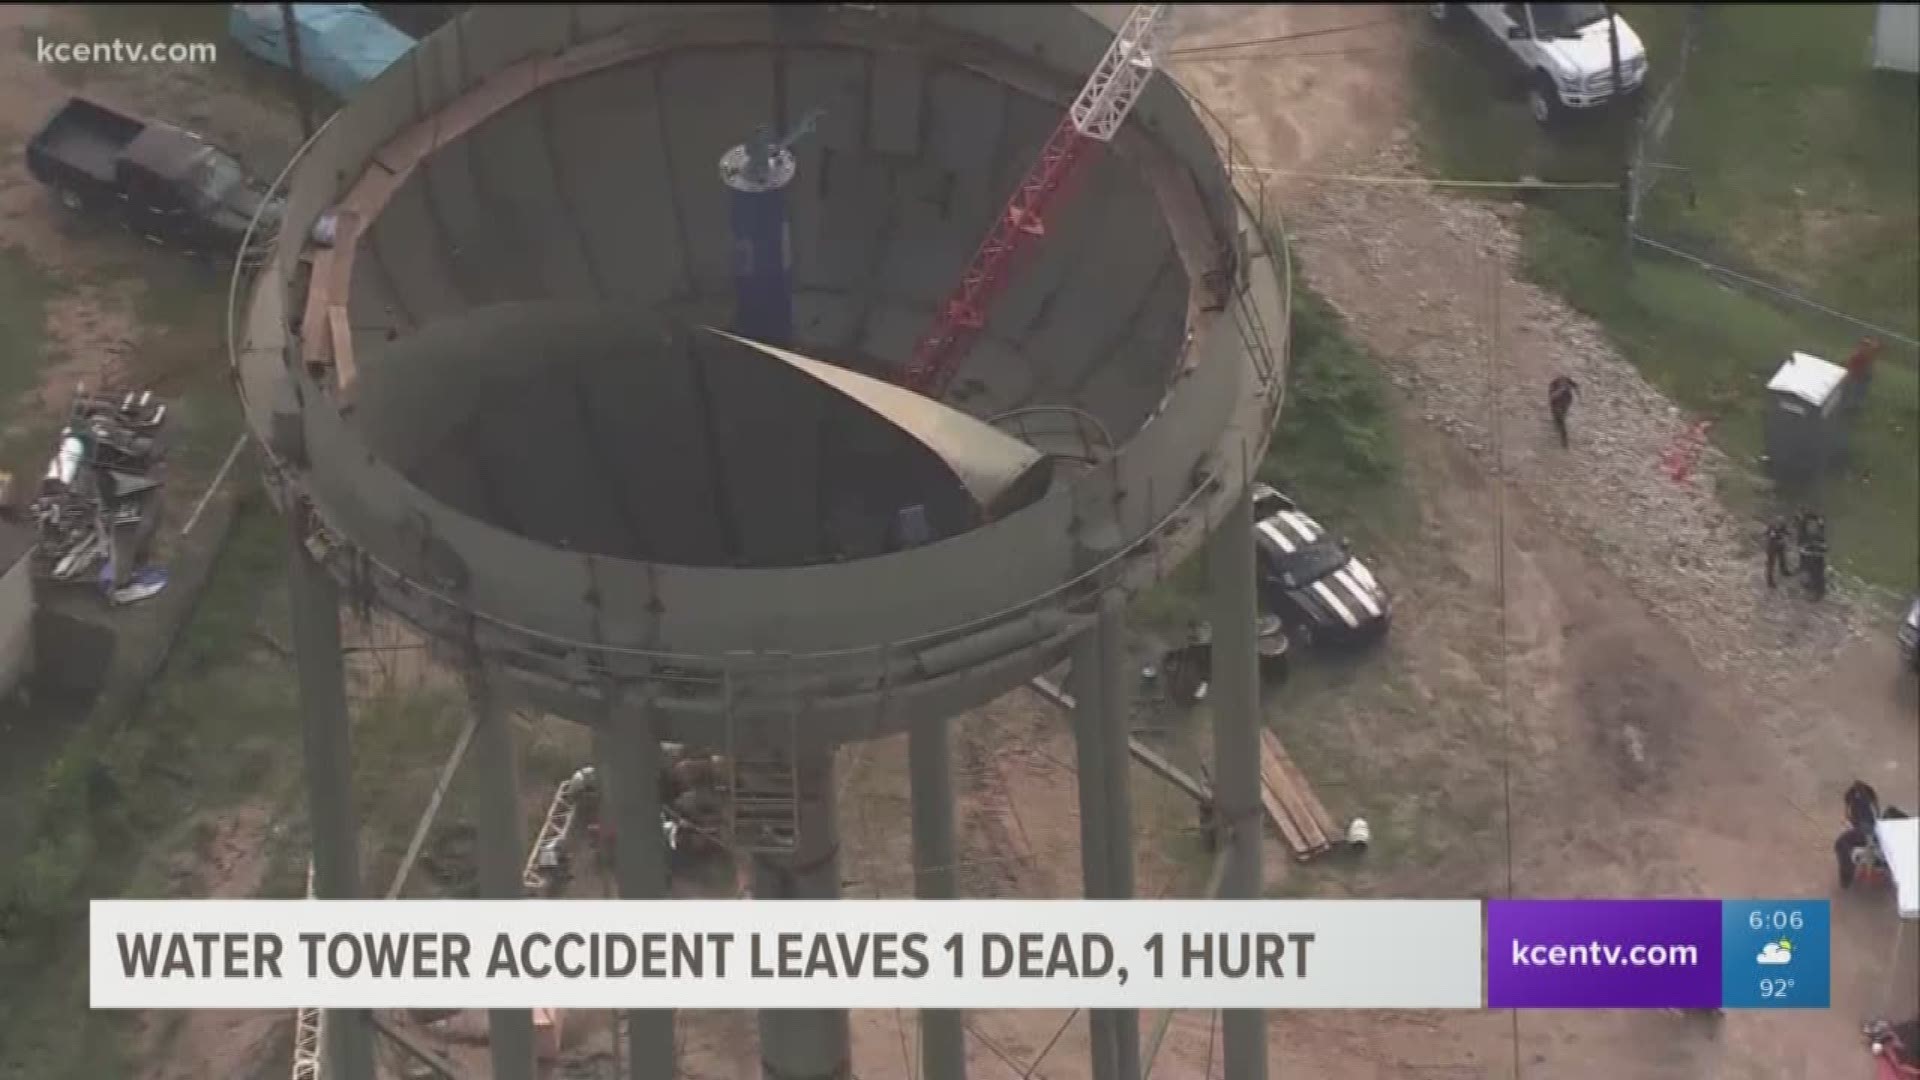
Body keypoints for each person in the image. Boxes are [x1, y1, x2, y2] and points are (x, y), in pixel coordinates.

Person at [1547, 376, 1579, 449]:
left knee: (1561, 420)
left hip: (1562, 400)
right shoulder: (1555, 390)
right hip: (1558, 400)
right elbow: (1575, 386)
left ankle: (1564, 441)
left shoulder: (1564, 392)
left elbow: (1575, 386)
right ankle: (1561, 435)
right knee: (1558, 419)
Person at [1764, 518, 1793, 589]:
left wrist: (1789, 534)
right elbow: (1770, 535)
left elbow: (1785, 532)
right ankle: (1770, 581)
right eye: (1779, 524)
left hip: (1780, 546)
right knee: (1771, 565)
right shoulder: (1772, 528)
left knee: (1782, 559)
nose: (1780, 525)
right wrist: (1779, 539)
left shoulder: (1782, 526)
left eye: (1781, 524)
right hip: (1772, 547)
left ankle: (1784, 571)